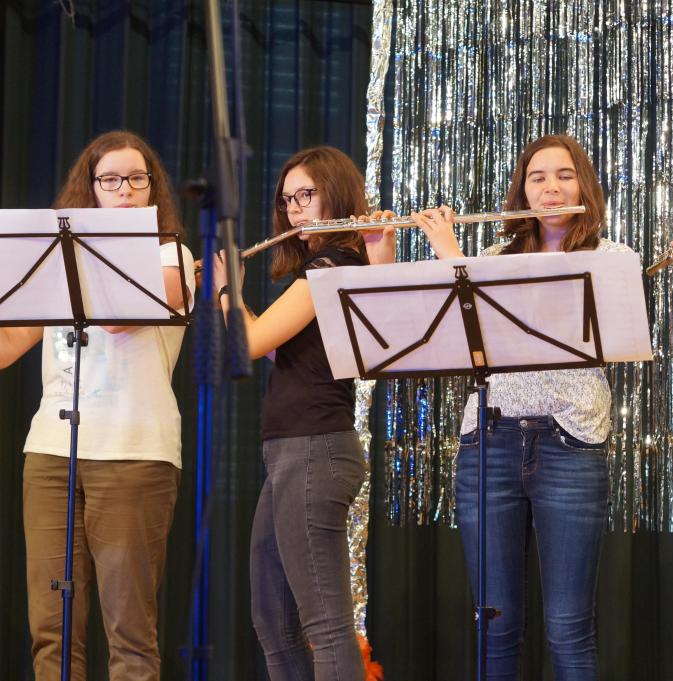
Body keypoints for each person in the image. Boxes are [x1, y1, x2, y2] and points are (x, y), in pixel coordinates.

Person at [412, 134, 632, 681]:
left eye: (564, 176)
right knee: (494, 624)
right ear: (523, 192)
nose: (551, 188)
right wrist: (452, 260)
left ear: (583, 186)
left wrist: (453, 257)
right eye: (538, 178)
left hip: (570, 443)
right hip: (489, 442)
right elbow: (462, 344)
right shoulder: (492, 260)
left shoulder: (612, 259)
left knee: (569, 628)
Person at [0, 130, 195, 681]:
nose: (124, 190)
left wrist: (72, 258)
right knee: (51, 628)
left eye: (136, 178)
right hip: (50, 451)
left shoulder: (172, 256)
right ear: (90, 188)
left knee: (129, 632)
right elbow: (10, 343)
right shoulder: (56, 262)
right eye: (110, 180)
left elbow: (116, 316)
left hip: (134, 452)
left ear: (152, 188)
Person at [211, 145, 391, 681]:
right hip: (292, 452)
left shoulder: (332, 265)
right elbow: (275, 348)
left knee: (325, 626)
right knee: (273, 619)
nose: (294, 210)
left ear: (335, 194)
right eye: (287, 200)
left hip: (315, 449)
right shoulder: (329, 267)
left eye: (306, 195)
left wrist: (225, 288)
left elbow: (248, 342)